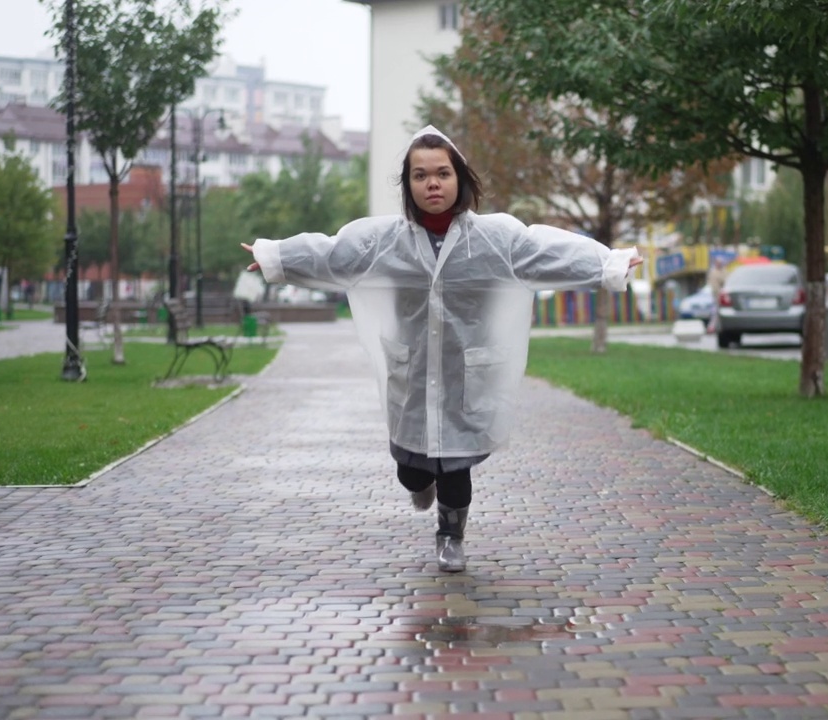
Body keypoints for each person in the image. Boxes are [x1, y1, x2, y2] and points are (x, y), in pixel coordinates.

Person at [242, 126, 642, 572]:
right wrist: (278, 256)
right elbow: (334, 254)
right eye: (420, 175)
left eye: (442, 173)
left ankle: (451, 535)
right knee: (412, 470)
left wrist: (610, 262)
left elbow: (545, 250)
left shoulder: (494, 238)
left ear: (460, 179)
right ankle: (419, 482)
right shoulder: (385, 240)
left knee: (455, 465)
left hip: (464, 372)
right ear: (409, 185)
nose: (432, 183)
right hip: (411, 370)